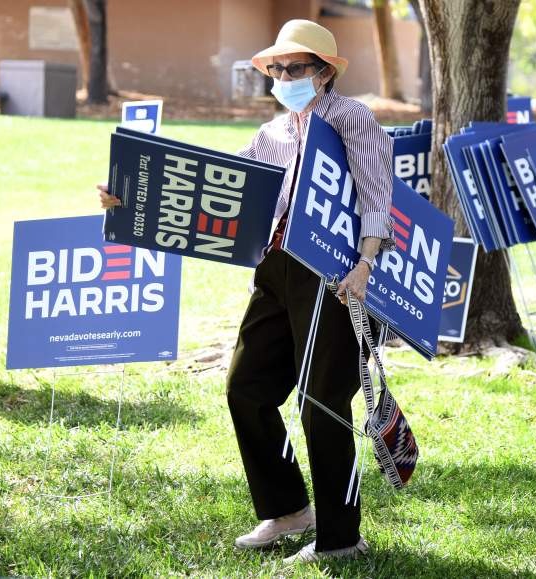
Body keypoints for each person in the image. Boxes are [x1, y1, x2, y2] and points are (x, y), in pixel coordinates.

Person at [99, 19, 393, 564]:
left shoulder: (354, 120)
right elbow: (220, 188)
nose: (284, 76)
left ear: (325, 73)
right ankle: (287, 510)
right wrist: (131, 201)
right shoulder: (272, 134)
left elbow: (378, 193)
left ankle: (341, 538)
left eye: (296, 67)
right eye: (276, 69)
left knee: (323, 403)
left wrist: (366, 264)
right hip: (276, 270)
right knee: (246, 387)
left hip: (336, 273)